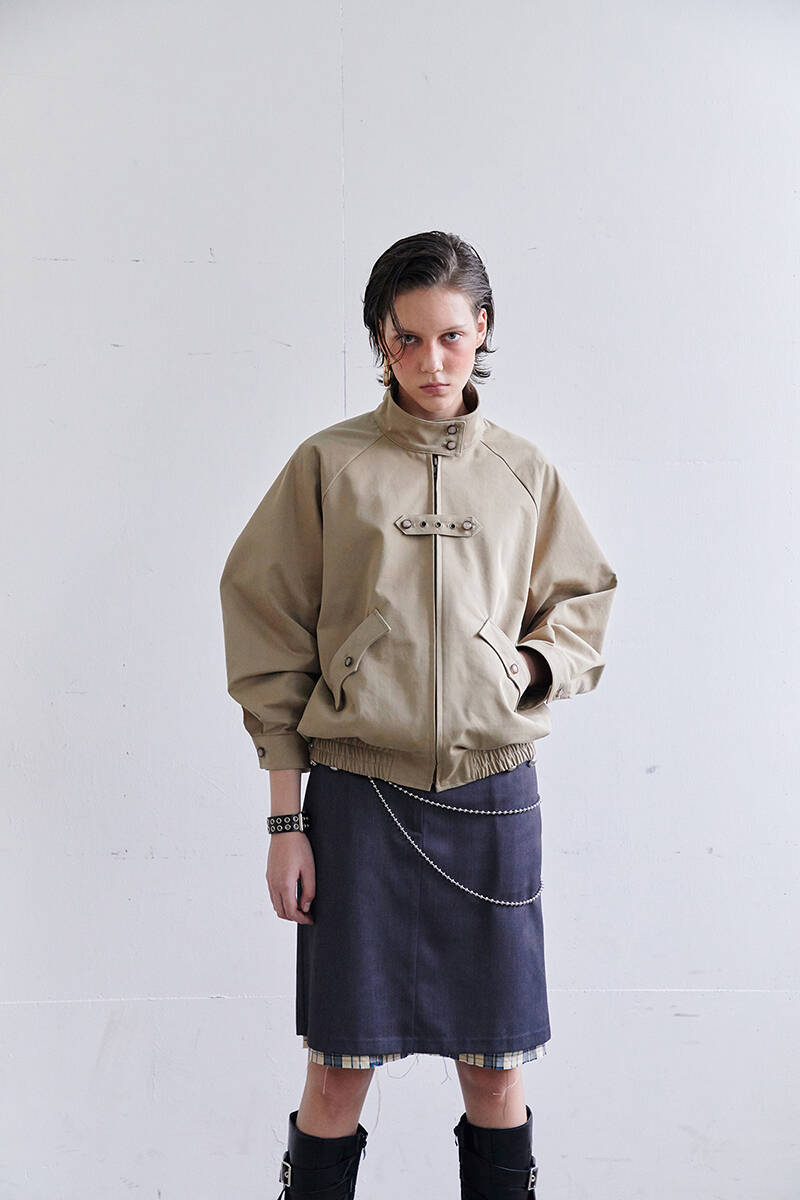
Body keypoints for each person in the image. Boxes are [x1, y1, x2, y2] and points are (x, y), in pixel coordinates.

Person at [219, 231, 618, 1199]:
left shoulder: (524, 471)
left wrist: (520, 668)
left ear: (481, 329)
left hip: (492, 800)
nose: (432, 361)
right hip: (357, 802)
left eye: (451, 336)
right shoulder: (328, 466)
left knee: (495, 1069)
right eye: (407, 339)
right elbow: (269, 634)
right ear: (380, 340)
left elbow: (582, 605)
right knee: (337, 1072)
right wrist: (285, 823)